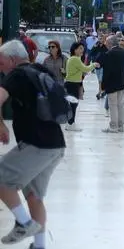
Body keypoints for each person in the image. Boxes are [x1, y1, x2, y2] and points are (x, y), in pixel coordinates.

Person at [0, 40, 66, 248]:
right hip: (56, 144)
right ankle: (39, 246)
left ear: (12, 59)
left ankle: (24, 223)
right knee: (34, 196)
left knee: (1, 179)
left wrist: (0, 124)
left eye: (1, 62)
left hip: (37, 145)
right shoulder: (39, 69)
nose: (1, 67)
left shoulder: (17, 74)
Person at [97, 35, 124, 133]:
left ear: (110, 43)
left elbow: (105, 68)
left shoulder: (109, 53)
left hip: (112, 82)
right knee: (120, 104)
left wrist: (103, 85)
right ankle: (121, 126)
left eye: (106, 42)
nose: (105, 44)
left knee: (112, 105)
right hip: (122, 81)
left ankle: (113, 126)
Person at [64, 42, 98, 131]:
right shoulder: (75, 59)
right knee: (73, 104)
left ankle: (70, 123)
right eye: (80, 48)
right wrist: (94, 64)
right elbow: (85, 68)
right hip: (73, 84)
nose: (82, 50)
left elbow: (81, 70)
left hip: (72, 83)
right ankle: (71, 123)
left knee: (73, 104)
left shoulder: (73, 59)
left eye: (82, 48)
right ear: (74, 50)